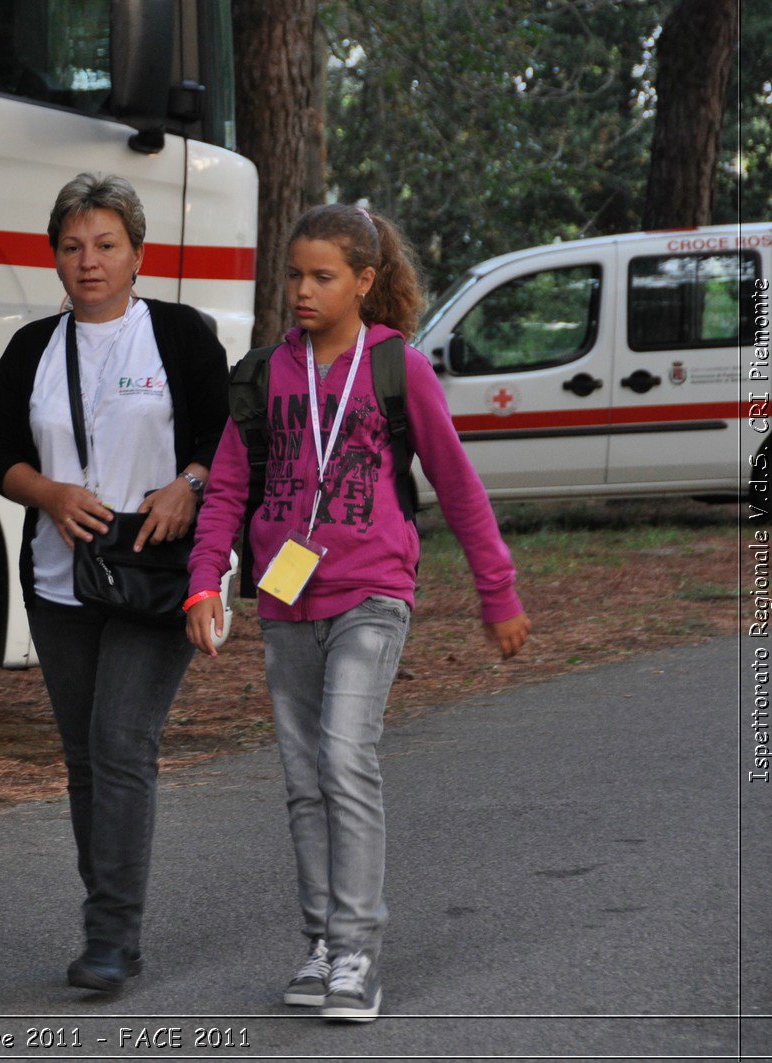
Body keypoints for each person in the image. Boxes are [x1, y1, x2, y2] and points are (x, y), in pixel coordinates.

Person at [184, 203, 532, 1023]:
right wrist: (205, 579)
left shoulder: (395, 366)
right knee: (304, 778)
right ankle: (320, 940)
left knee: (344, 758)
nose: (302, 290)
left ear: (365, 282)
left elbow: (456, 482)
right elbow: (230, 485)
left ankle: (358, 952)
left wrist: (499, 591)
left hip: (373, 590)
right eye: (294, 275)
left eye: (322, 276)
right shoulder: (265, 371)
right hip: (283, 595)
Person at [0, 173, 228, 992]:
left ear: (136, 255)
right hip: (62, 580)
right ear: (55, 258)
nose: (89, 261)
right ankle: (109, 917)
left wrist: (187, 481)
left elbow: (225, 433)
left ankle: (113, 936)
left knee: (123, 741)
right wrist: (47, 493)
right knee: (86, 755)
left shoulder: (180, 335)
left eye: (106, 245)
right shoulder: (32, 349)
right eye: (73, 246)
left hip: (156, 572)